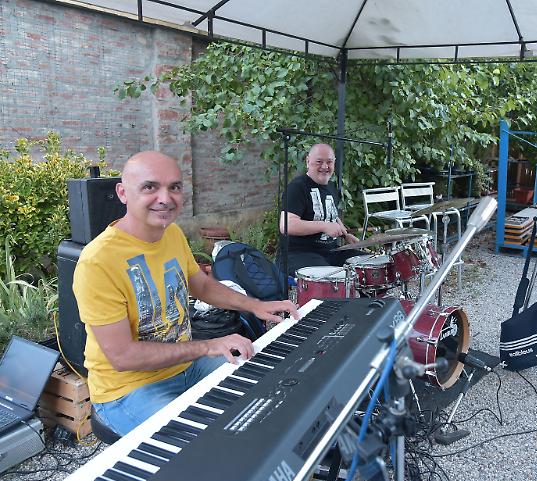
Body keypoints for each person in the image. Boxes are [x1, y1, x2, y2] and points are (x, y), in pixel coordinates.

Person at [73, 151, 298, 435]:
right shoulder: (98, 261)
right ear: (122, 193)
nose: (165, 198)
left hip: (185, 367)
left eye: (174, 187)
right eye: (150, 187)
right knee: (206, 442)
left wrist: (255, 305)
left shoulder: (172, 234)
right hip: (127, 390)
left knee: (263, 394)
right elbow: (123, 356)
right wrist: (208, 346)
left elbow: (200, 285)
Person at [278, 143, 362, 275]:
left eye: (329, 162)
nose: (325, 166)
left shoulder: (331, 187)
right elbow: (287, 225)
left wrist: (346, 235)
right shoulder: (297, 187)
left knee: (366, 263)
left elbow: (331, 216)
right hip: (299, 253)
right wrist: (324, 226)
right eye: (319, 162)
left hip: (331, 252)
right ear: (308, 161)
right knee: (331, 276)